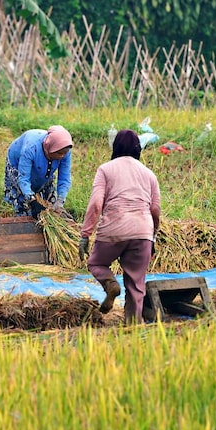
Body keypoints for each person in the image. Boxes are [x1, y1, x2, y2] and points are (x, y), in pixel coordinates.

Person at [78, 130, 161, 323]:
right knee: (136, 284)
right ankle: (132, 327)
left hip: (113, 229)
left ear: (115, 147)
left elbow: (96, 203)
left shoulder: (106, 169)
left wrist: (85, 234)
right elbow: (155, 210)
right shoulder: (149, 174)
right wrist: (153, 237)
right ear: (138, 149)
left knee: (96, 263)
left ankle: (110, 285)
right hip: (142, 231)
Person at [4, 125, 73, 219]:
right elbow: (23, 178)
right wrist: (32, 200)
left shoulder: (65, 151)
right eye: (59, 153)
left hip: (42, 165)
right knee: (24, 206)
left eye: (64, 153)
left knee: (49, 204)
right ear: (50, 148)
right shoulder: (31, 148)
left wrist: (60, 201)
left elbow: (64, 178)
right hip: (17, 162)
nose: (62, 156)